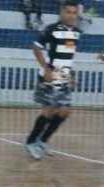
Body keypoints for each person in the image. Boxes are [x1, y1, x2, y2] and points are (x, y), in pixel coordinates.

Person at [24, 2, 82, 160]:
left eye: (74, 12)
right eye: (68, 12)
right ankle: (30, 142)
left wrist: (72, 75)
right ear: (62, 13)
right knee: (48, 111)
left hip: (63, 75)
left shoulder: (77, 32)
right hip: (48, 74)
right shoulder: (51, 29)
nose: (71, 15)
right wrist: (47, 69)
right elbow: (36, 48)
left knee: (64, 111)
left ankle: (42, 141)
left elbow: (69, 57)